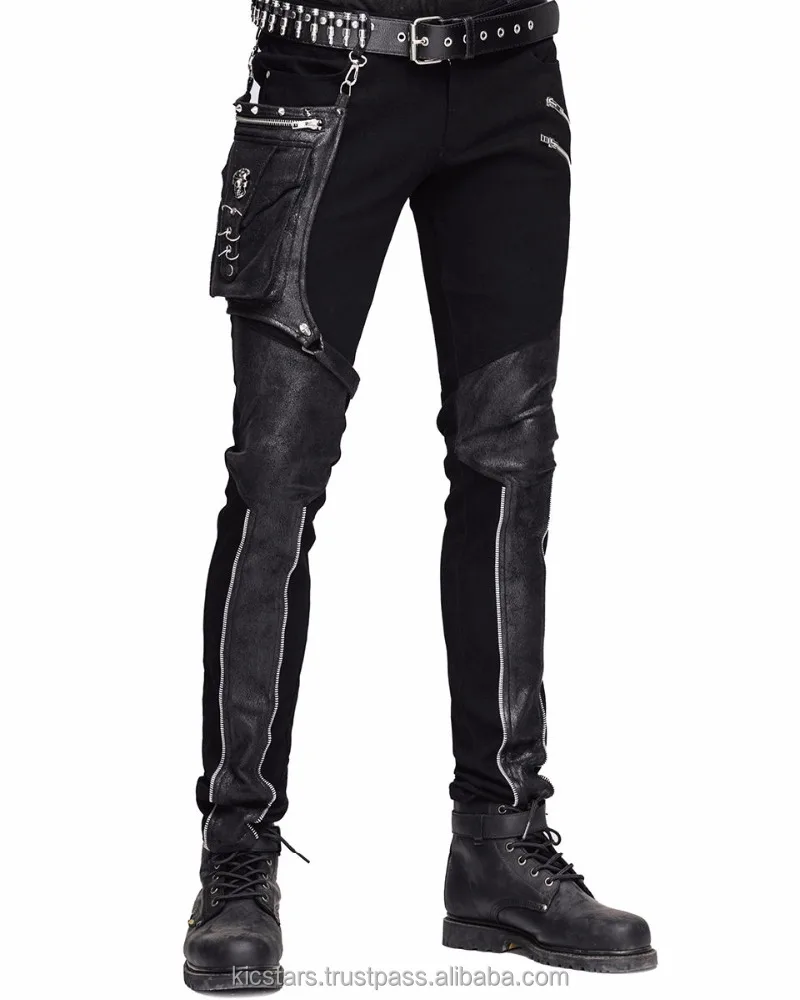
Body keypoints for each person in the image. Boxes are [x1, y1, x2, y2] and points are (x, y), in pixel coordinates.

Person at [183, 1, 657, 990]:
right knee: (275, 473)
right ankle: (238, 857)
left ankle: (497, 843)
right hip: (326, 72)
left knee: (511, 459)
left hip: (512, 72)